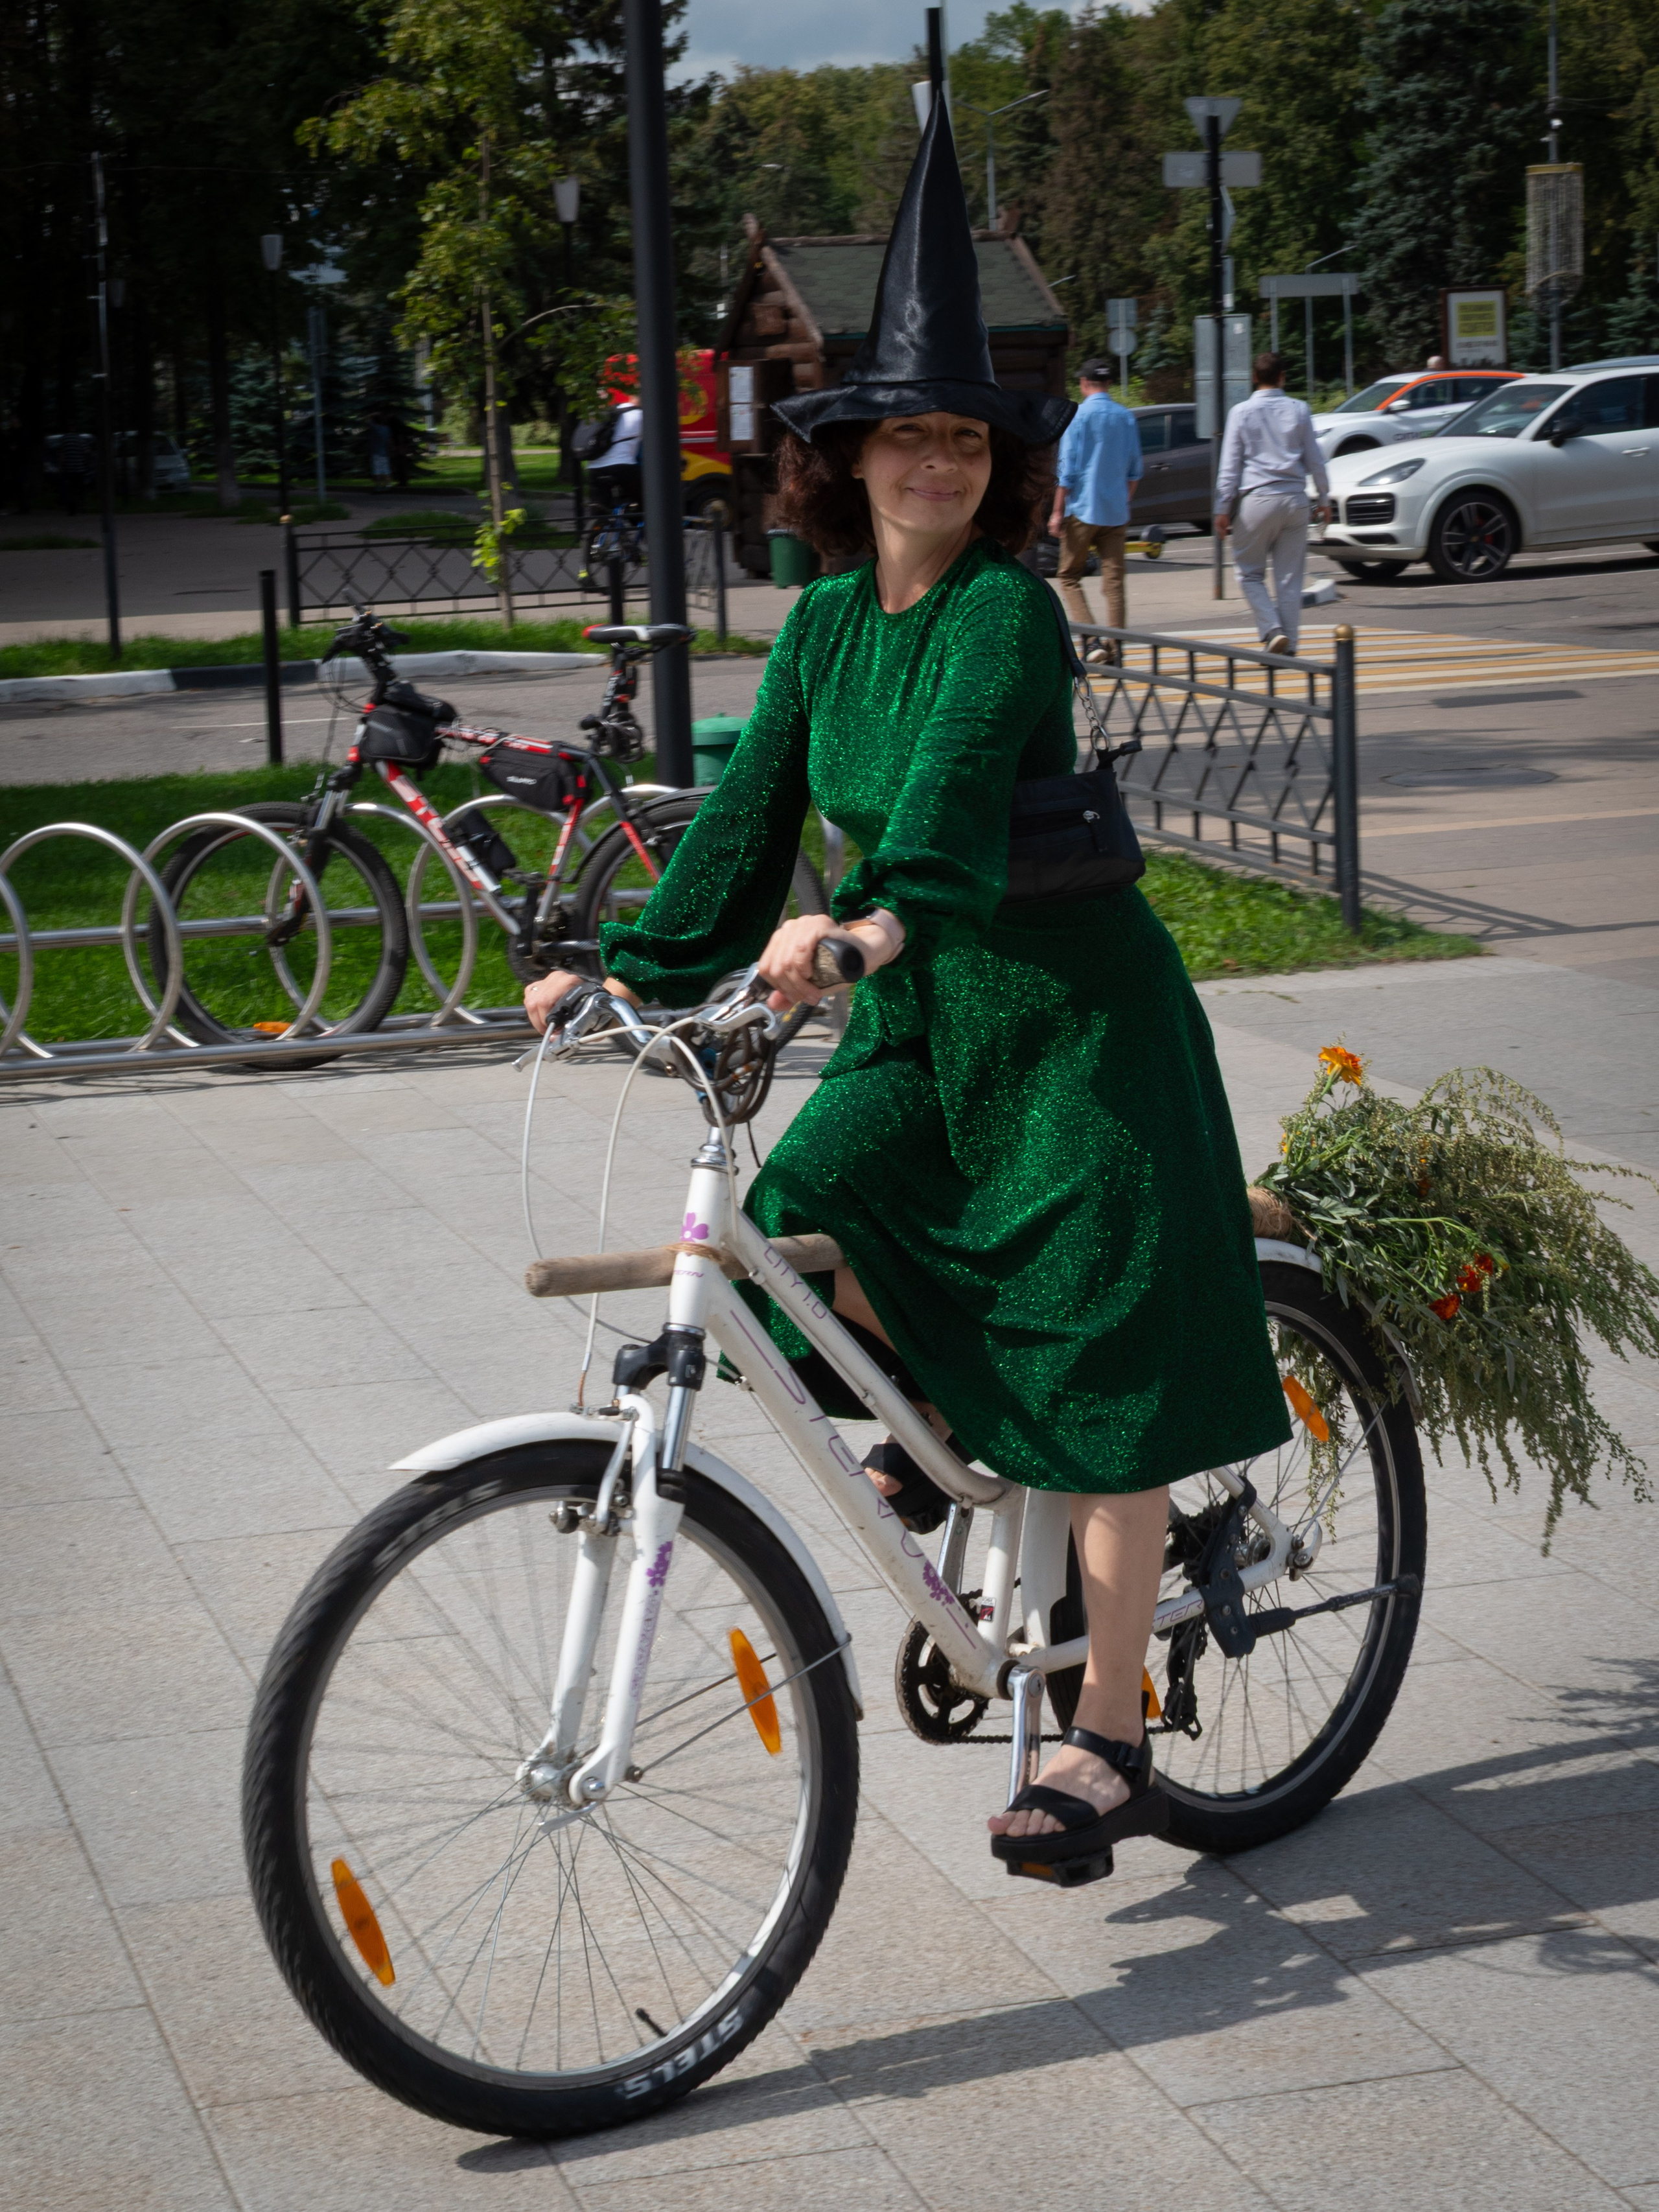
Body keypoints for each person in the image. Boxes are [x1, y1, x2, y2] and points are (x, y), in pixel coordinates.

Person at [523, 87, 1290, 1885]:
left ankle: (1108, 1732)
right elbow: (743, 821)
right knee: (799, 1215)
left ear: (995, 467)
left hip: (1074, 1027)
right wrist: (613, 966)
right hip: (933, 1021)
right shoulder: (815, 625)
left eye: (964, 442)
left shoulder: (1007, 615)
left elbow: (942, 813)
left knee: (1099, 1375)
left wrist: (859, 933)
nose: (935, 468)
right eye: (905, 443)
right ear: (847, 462)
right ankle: (945, 1455)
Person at [1214, 351, 1331, 657]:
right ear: (1283, 377)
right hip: (1295, 501)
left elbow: (1230, 466)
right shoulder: (1300, 410)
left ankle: (1272, 629)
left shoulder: (1240, 412)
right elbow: (1315, 460)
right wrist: (1325, 498)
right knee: (1290, 580)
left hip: (1258, 500)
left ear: (1255, 378)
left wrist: (1222, 509)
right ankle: (1288, 645)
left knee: (1249, 572)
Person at [1048, 357, 1142, 664]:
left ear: (1085, 384)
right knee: (1114, 583)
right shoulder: (1126, 418)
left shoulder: (1078, 418)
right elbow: (1135, 471)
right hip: (1116, 512)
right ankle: (1116, 649)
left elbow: (1067, 471)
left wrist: (1057, 512)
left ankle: (1091, 643)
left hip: (1082, 511)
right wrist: (1123, 501)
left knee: (1069, 576)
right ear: (1109, 384)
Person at [586, 397, 644, 515]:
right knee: (648, 501)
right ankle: (647, 530)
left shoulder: (605, 413)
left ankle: (596, 530)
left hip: (595, 468)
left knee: (600, 510)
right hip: (623, 466)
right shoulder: (641, 415)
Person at [366, 414, 393, 489]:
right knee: (386, 470)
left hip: (376, 453)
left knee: (377, 471)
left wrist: (372, 414)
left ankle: (379, 486)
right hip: (385, 453)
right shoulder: (387, 429)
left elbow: (367, 421)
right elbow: (390, 441)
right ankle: (388, 485)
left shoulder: (374, 428)